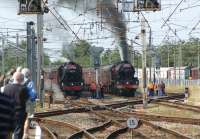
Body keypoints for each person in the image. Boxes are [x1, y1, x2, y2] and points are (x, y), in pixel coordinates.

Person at [3, 71, 29, 139]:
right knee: (17, 133)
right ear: (22, 79)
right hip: (18, 114)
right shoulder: (24, 89)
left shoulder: (6, 87)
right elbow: (26, 100)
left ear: (13, 78)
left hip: (7, 113)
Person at [21, 68, 37, 139]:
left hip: (18, 103)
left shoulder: (16, 80)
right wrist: (33, 99)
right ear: (29, 75)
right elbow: (33, 94)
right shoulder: (30, 82)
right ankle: (25, 134)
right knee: (28, 118)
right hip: (28, 103)